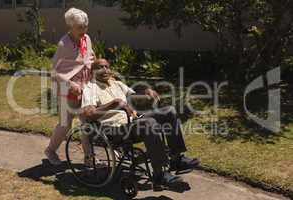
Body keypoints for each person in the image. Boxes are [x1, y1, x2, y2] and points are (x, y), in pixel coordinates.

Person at [81, 58, 200, 187]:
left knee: (169, 111)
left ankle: (176, 159)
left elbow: (134, 96)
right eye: (100, 67)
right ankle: (159, 175)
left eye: (107, 67)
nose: (105, 70)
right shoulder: (90, 88)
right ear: (92, 71)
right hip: (113, 129)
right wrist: (113, 104)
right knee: (148, 123)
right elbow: (89, 114)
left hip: (131, 122)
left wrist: (146, 93)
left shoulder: (116, 84)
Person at [44, 8, 96, 166]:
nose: (84, 30)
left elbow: (91, 56)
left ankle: (89, 158)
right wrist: (70, 83)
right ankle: (50, 151)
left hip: (85, 88)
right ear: (70, 26)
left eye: (86, 26)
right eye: (80, 27)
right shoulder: (63, 44)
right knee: (65, 124)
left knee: (87, 122)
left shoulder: (86, 38)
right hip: (68, 90)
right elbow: (53, 72)